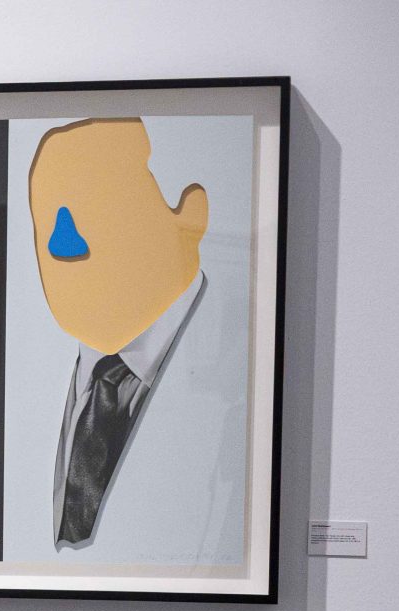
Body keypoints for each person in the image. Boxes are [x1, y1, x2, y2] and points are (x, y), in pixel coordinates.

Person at [27, 117, 246, 564]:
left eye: (101, 207)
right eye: (48, 217)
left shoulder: (238, 381)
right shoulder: (32, 384)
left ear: (191, 215)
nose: (62, 245)